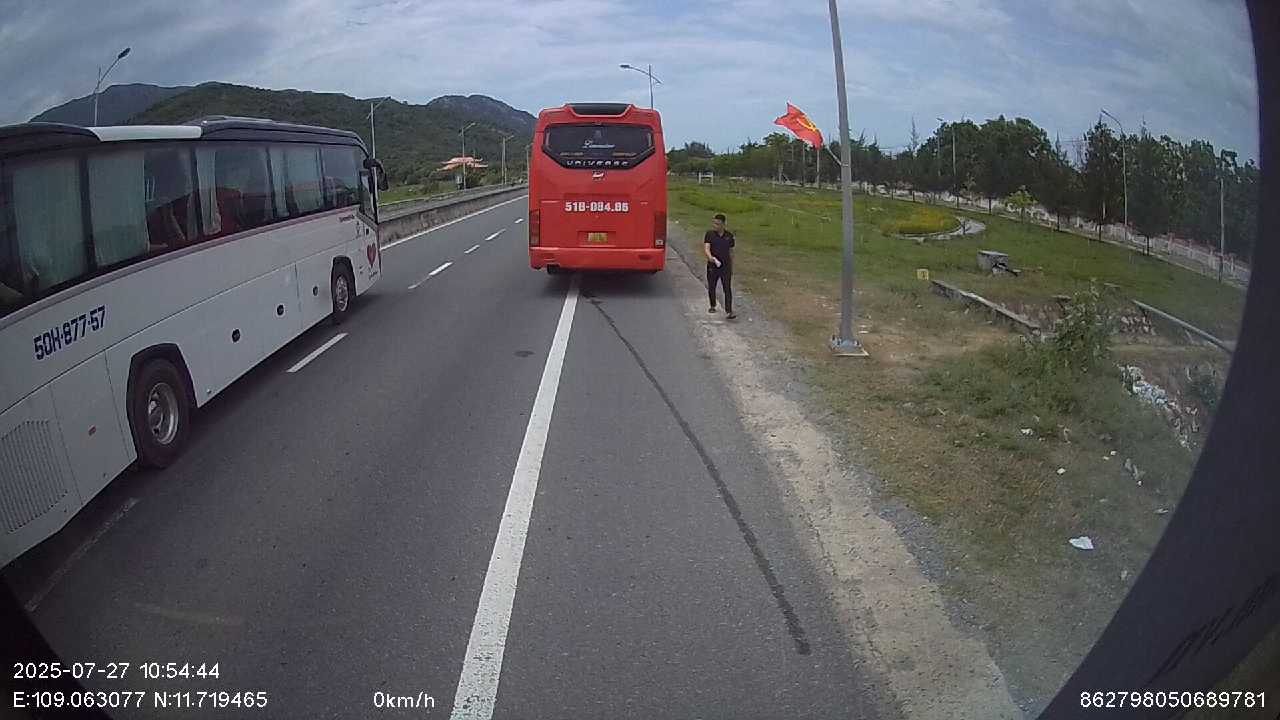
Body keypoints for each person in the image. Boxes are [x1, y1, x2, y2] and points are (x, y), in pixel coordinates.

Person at [704, 213, 736, 319]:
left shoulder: (729, 236)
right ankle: (712, 305)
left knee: (727, 287)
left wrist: (731, 266)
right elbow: (707, 248)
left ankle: (729, 311)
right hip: (713, 265)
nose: (715, 226)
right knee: (712, 286)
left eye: (718, 224)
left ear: (723, 224)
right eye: (714, 223)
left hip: (725, 266)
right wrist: (710, 257)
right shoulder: (709, 234)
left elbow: (731, 252)